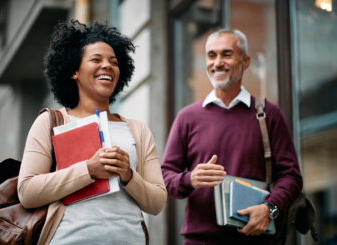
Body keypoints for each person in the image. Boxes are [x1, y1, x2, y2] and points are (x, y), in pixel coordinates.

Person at [17, 19, 167, 245]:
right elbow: (27, 192)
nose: (107, 65)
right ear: (74, 71)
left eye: (114, 62)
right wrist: (89, 169)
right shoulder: (50, 122)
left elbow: (157, 203)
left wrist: (128, 175)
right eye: (96, 59)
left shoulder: (137, 129)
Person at [161, 29, 303, 244]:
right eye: (211, 55)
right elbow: (164, 176)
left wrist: (269, 207)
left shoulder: (268, 114)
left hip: (256, 237)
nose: (217, 62)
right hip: (200, 239)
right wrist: (190, 179)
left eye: (226, 54)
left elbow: (291, 176)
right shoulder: (187, 117)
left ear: (245, 61)